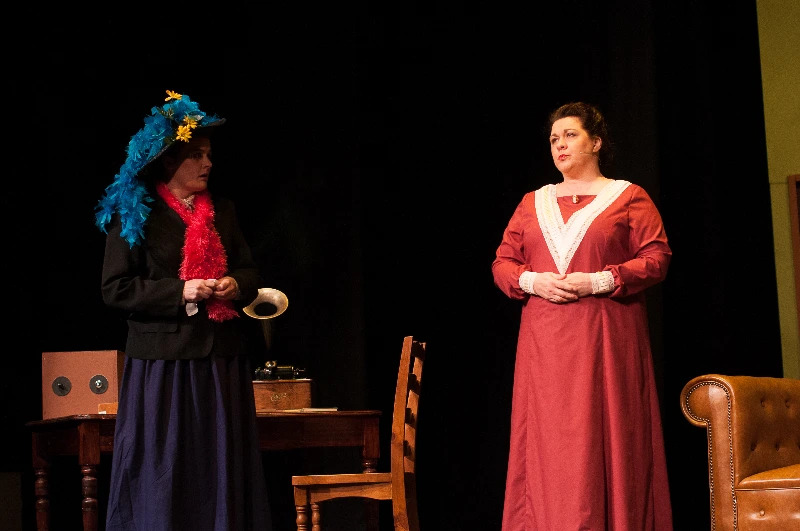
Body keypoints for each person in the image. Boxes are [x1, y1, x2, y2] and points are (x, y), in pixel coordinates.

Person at [96, 90, 272, 531]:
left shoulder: (223, 211)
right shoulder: (136, 214)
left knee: (221, 463)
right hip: (164, 364)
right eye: (197, 155)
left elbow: (249, 268)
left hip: (221, 359)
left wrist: (236, 284)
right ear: (169, 163)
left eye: (209, 154)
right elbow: (116, 289)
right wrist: (181, 291)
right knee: (165, 463)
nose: (208, 163)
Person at [492, 102, 673, 530]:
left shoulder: (628, 196)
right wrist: (532, 281)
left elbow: (657, 257)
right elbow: (503, 262)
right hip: (545, 345)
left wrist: (601, 280)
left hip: (606, 337)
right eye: (554, 139)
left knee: (607, 437)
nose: (560, 144)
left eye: (570, 135)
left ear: (596, 142)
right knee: (548, 443)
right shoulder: (532, 202)